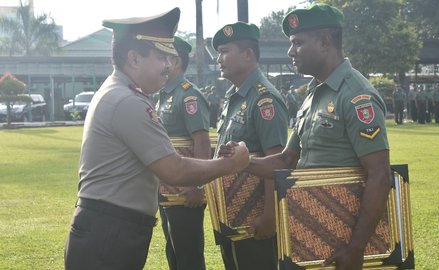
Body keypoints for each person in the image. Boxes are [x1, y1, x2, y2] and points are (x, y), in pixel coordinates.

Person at [63, 8, 250, 270]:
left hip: (109, 228)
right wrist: (231, 164)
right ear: (134, 58)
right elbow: (174, 169)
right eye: (161, 56)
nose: (168, 66)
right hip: (109, 233)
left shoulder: (121, 93)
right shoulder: (127, 101)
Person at [222, 4, 391, 270]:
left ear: (325, 42)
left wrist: (356, 248)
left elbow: (379, 174)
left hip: (344, 235)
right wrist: (244, 162)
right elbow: (287, 159)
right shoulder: (313, 95)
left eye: (298, 43)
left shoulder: (357, 96)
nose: (290, 51)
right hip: (312, 229)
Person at [212, 22, 289, 270]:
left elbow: (276, 162)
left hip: (253, 216)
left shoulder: (264, 98)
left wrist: (269, 215)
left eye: (225, 51)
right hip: (232, 215)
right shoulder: (236, 96)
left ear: (248, 54)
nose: (219, 59)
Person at [155, 36, 209, 270]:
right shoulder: (164, 95)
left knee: (189, 256)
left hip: (186, 193)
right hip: (167, 189)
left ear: (175, 61)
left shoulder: (189, 96)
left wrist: (197, 186)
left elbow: (202, 142)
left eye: (162, 57)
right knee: (174, 252)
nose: (157, 63)